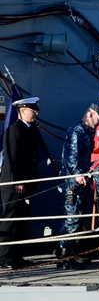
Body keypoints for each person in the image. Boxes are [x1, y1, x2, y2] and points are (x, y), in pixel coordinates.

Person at [56, 103, 99, 268]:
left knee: (77, 218)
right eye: (98, 120)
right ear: (90, 114)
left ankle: (72, 252)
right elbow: (71, 156)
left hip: (82, 184)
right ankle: (64, 257)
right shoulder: (76, 131)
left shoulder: (85, 132)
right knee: (71, 219)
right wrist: (78, 173)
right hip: (73, 184)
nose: (98, 124)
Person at [0, 97, 44, 269]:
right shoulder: (14, 130)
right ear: (23, 111)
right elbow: (12, 158)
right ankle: (4, 257)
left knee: (21, 220)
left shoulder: (30, 130)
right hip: (14, 183)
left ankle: (16, 256)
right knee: (10, 220)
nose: (36, 113)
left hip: (27, 183)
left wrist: (35, 178)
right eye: (33, 110)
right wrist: (17, 181)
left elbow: (31, 159)